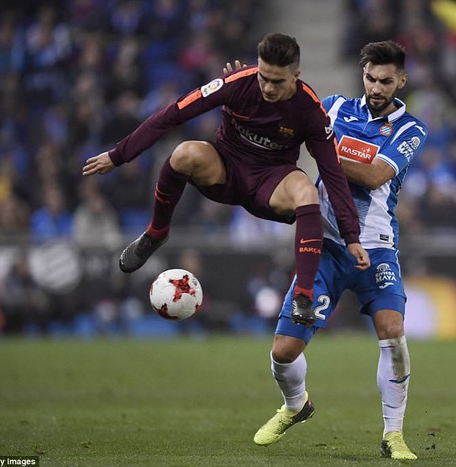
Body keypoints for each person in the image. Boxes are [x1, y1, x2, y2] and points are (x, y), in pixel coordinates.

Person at [83, 33, 370, 324]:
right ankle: (156, 233)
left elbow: (332, 172)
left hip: (270, 183)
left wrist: (351, 236)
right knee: (183, 153)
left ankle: (303, 296)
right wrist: (119, 155)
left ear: (295, 75)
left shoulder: (310, 110)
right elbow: (173, 113)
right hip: (225, 169)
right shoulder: (237, 83)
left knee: (307, 191)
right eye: (263, 77)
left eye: (278, 81)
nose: (268, 87)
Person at [247, 41, 428, 460]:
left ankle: (394, 434)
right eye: (370, 78)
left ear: (401, 80)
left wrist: (322, 146)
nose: (376, 87)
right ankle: (296, 405)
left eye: (386, 81)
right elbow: (279, 112)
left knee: (393, 334)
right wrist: (250, 86)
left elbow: (373, 174)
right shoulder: (332, 107)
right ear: (361, 74)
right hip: (325, 244)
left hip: (376, 247)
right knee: (282, 352)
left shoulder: (410, 129)